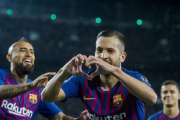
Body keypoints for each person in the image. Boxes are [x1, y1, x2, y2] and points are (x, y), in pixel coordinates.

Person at [41, 30, 157, 120]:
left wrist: (114, 70)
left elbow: (152, 99)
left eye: (110, 51)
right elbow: (46, 97)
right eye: (99, 50)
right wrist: (63, 72)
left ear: (122, 57)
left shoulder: (133, 78)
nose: (103, 56)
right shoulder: (83, 79)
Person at [0, 38, 82, 120]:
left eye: (32, 52)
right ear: (9, 57)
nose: (29, 54)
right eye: (23, 50)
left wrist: (79, 119)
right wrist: (31, 86)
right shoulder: (2, 75)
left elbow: (60, 117)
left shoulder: (38, 90)